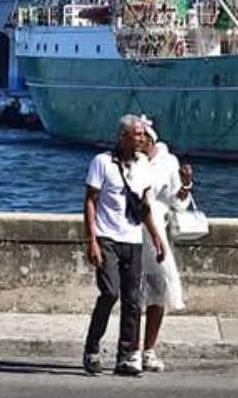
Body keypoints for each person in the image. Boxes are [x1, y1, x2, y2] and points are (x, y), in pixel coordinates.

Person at [82, 115, 166, 377]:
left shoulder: (143, 165)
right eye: (137, 134)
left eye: (143, 134)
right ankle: (92, 347)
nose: (142, 138)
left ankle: (127, 356)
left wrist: (155, 236)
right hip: (107, 238)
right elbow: (90, 202)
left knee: (133, 300)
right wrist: (92, 240)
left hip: (133, 239)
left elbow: (144, 205)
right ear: (123, 136)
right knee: (109, 293)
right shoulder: (102, 162)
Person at [136, 116, 193, 373]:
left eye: (140, 138)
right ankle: (131, 349)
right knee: (133, 295)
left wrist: (186, 184)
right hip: (131, 231)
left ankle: (149, 349)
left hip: (157, 232)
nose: (136, 143)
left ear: (149, 139)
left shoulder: (167, 161)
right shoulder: (127, 160)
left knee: (157, 292)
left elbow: (177, 201)